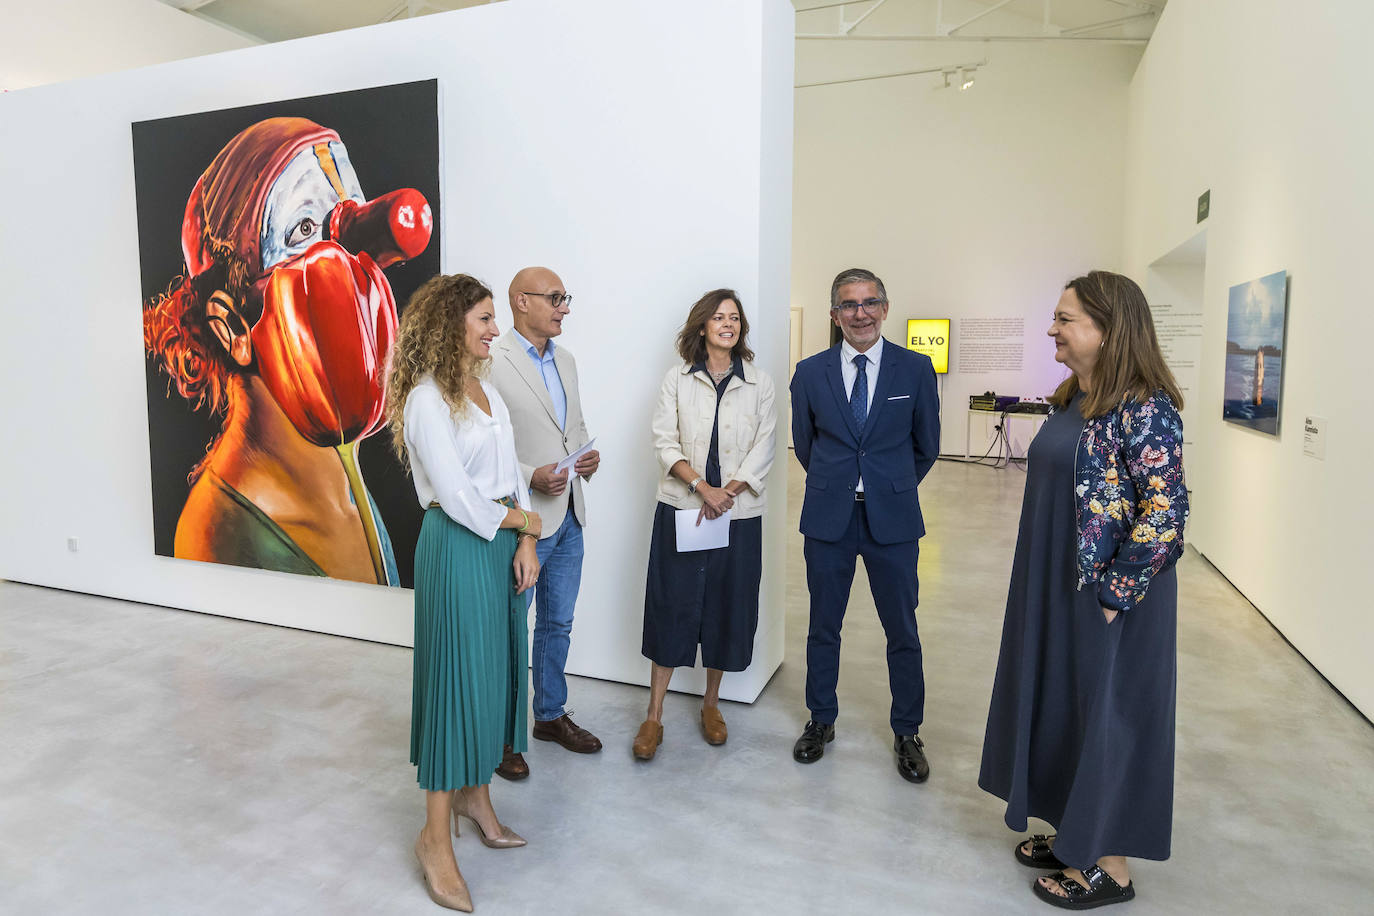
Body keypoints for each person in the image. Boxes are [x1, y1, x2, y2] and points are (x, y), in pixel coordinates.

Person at [142, 116, 433, 585]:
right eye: (303, 228)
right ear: (232, 327)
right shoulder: (215, 534)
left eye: (350, 214)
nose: (349, 263)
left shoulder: (342, 463)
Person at [978, 271, 1188, 911]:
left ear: (1107, 328)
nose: (1053, 329)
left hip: (1111, 600)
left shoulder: (1146, 407)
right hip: (1054, 584)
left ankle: (1111, 867)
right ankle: (1075, 831)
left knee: (1109, 717)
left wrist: (1113, 593)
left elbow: (1166, 512)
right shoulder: (1076, 397)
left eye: (1065, 319)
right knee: (1063, 705)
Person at [386, 273, 541, 912]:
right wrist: (523, 523)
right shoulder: (427, 399)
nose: (494, 328)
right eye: (483, 319)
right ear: (453, 325)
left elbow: (510, 476)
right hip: (456, 547)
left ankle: (477, 801)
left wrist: (527, 539)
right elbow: (455, 496)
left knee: (495, 675)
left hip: (502, 542)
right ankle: (433, 836)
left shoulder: (485, 391)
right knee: (456, 680)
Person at [788, 267, 939, 782]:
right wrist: (840, 482)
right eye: (849, 305)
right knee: (823, 626)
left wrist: (885, 484)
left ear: (885, 308)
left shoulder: (915, 370)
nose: (860, 313)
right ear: (834, 314)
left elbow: (927, 446)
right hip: (829, 518)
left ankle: (907, 730)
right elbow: (806, 445)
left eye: (870, 302)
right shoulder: (809, 374)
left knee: (902, 629)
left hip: (892, 521)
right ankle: (820, 720)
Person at [633, 289, 776, 761]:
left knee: (725, 605)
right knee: (672, 604)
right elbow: (663, 439)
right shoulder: (677, 379)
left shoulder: (760, 383)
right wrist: (702, 489)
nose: (728, 324)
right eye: (719, 317)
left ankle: (711, 705)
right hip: (683, 506)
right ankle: (653, 715)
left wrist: (727, 493)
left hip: (737, 514)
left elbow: (765, 447)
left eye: (734, 318)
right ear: (702, 326)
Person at [488, 266, 603, 778]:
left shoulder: (568, 360)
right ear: (521, 302)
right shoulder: (490, 361)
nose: (565, 308)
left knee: (558, 623)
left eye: (566, 297)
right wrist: (529, 475)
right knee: (511, 628)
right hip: (523, 521)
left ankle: (550, 716)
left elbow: (569, 427)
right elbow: (486, 445)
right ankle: (504, 734)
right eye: (556, 298)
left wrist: (586, 458)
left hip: (571, 511)